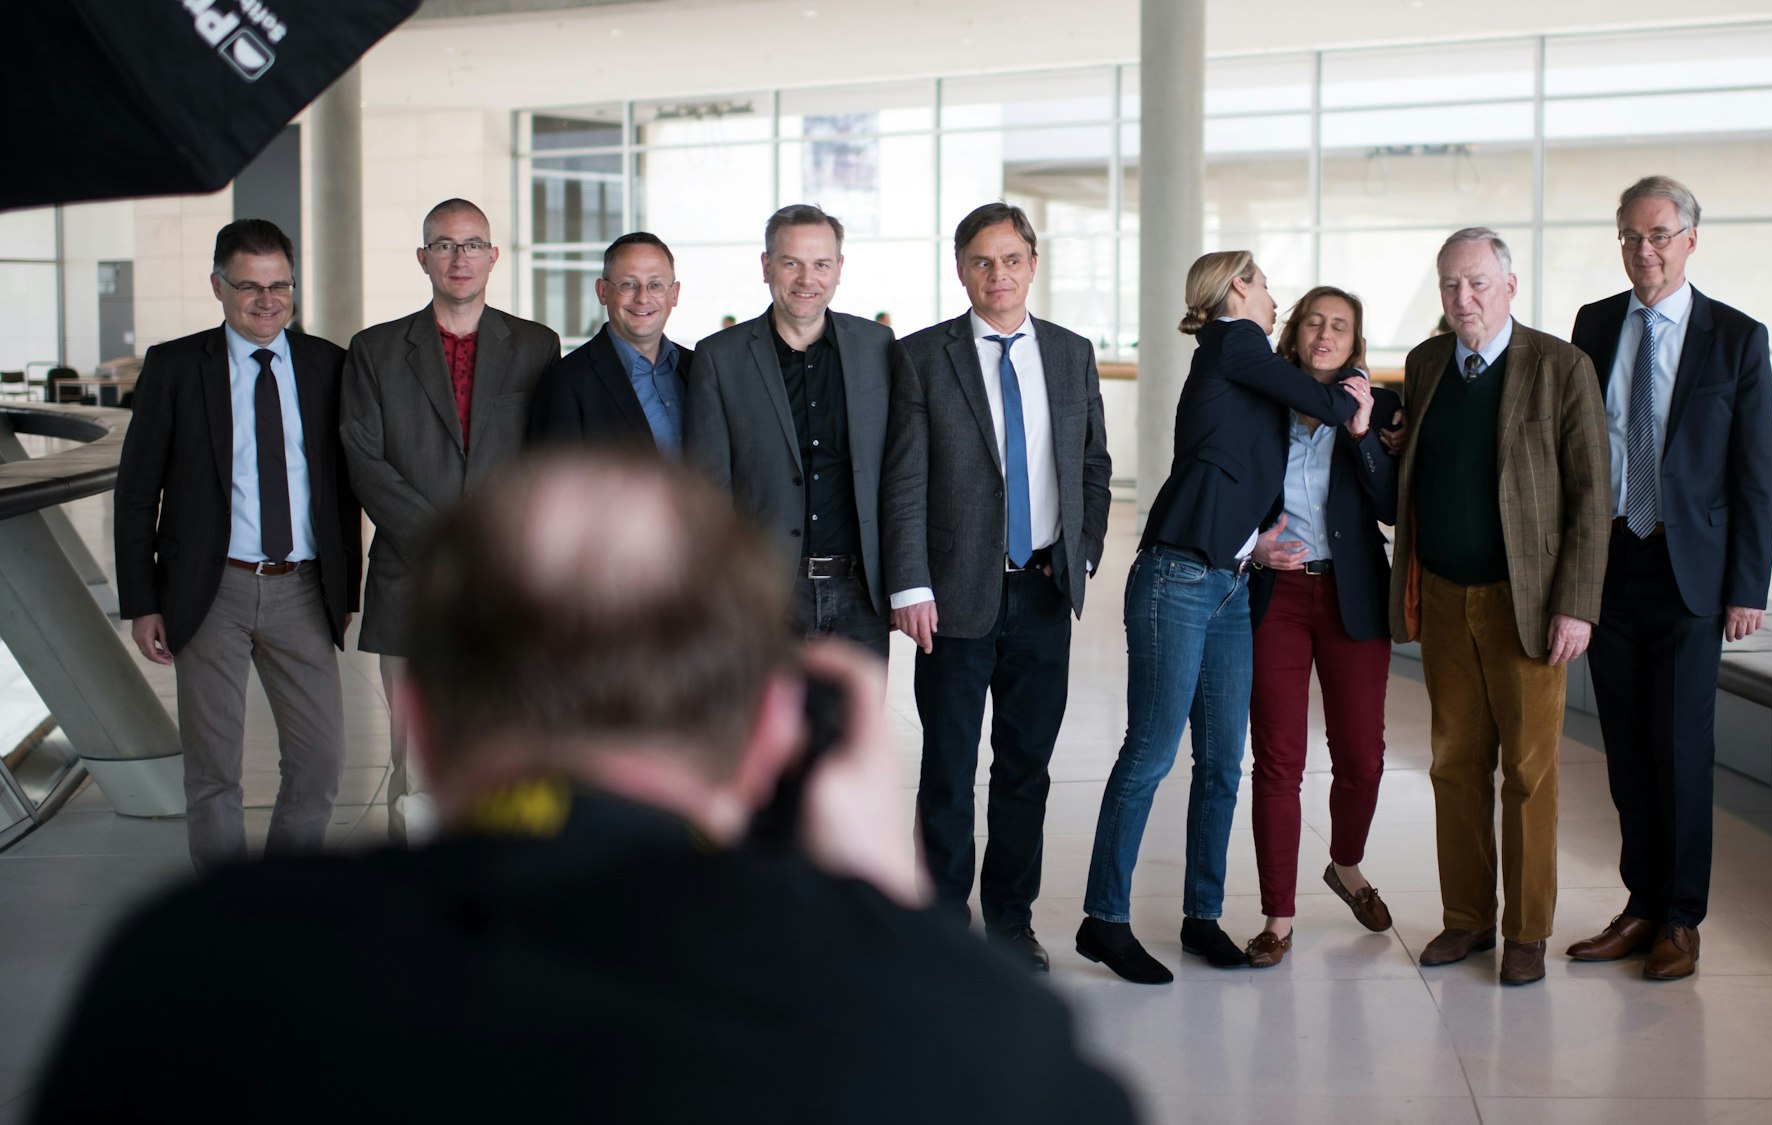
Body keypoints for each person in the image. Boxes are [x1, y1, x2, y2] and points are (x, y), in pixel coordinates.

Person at [33, 449, 1137, 1125]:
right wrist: (888, 929)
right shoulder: (971, 1042)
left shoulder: (189, 976)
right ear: (772, 727)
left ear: (420, 717)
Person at [1077, 251, 1367, 985]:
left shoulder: (1238, 363)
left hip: (1230, 578)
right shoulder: (1235, 339)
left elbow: (1235, 462)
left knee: (1220, 765)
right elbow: (1327, 404)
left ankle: (1201, 914)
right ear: (1239, 287)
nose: (1272, 298)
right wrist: (1357, 398)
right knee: (1151, 753)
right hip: (1178, 574)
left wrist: (1257, 537)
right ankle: (1103, 920)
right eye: (1266, 284)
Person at [883, 203, 1113, 972]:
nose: (998, 274)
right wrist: (909, 582)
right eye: (982, 261)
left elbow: (1092, 465)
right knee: (947, 767)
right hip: (951, 597)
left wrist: (1081, 554)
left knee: (1026, 769)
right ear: (961, 269)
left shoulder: (1073, 353)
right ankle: (945, 928)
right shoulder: (921, 357)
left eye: (1011, 258)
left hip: (1044, 589)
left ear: (1033, 263)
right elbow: (905, 481)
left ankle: (1010, 924)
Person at [1564, 176, 1772, 981]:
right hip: (1611, 563)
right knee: (1624, 746)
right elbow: (1574, 451)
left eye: (1657, 235)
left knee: (1681, 746)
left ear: (1691, 238)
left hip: (1693, 570)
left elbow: (1758, 472)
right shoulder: (1593, 324)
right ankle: (1640, 903)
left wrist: (1748, 585)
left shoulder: (1736, 337)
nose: (1642, 251)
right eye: (1629, 236)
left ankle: (1681, 918)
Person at [1389, 227, 1611, 986]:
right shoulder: (1424, 365)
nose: (1464, 298)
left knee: (1528, 771)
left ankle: (1527, 930)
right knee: (1454, 766)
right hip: (1446, 598)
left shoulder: (1560, 366)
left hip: (1529, 606)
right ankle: (1467, 919)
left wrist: (1576, 604)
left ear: (1510, 286)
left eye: (1478, 282)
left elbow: (1591, 495)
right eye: (1451, 284)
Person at [111, 219, 360, 875]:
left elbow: (341, 490)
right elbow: (137, 492)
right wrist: (141, 601)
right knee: (214, 769)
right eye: (249, 285)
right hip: (209, 589)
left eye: (280, 285)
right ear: (218, 285)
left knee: (321, 759)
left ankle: (278, 899)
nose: (267, 300)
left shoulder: (327, 364)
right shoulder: (173, 366)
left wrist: (348, 591)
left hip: (302, 589)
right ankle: (224, 919)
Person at [340, 197, 560, 845]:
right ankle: (416, 910)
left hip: (507, 584)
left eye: (472, 244)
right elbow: (365, 460)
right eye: (443, 244)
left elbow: (547, 461)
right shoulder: (375, 351)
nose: (458, 258)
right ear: (423, 258)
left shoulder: (536, 346)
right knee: (417, 764)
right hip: (412, 582)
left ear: (494, 256)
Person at [1242, 287, 1402, 968]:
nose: (1326, 332)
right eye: (1314, 320)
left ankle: (1347, 864)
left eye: (1340, 324)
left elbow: (1394, 506)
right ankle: (1278, 915)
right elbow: (1222, 487)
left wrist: (1364, 434)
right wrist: (1250, 545)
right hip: (1275, 595)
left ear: (1355, 338)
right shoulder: (1256, 402)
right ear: (1295, 333)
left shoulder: (1380, 406)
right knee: (1279, 760)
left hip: (1352, 594)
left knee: (1362, 754)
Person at [684, 204, 896, 658]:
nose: (807, 279)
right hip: (765, 597)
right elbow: (708, 490)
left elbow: (902, 472)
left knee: (853, 729)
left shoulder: (878, 348)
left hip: (861, 594)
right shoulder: (720, 358)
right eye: (791, 263)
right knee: (768, 729)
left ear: (839, 269)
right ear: (766, 267)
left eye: (821, 264)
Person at [525, 232, 693, 453]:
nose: (642, 297)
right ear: (602, 292)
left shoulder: (699, 368)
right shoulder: (565, 382)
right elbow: (557, 483)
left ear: (674, 294)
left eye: (655, 285)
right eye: (628, 284)